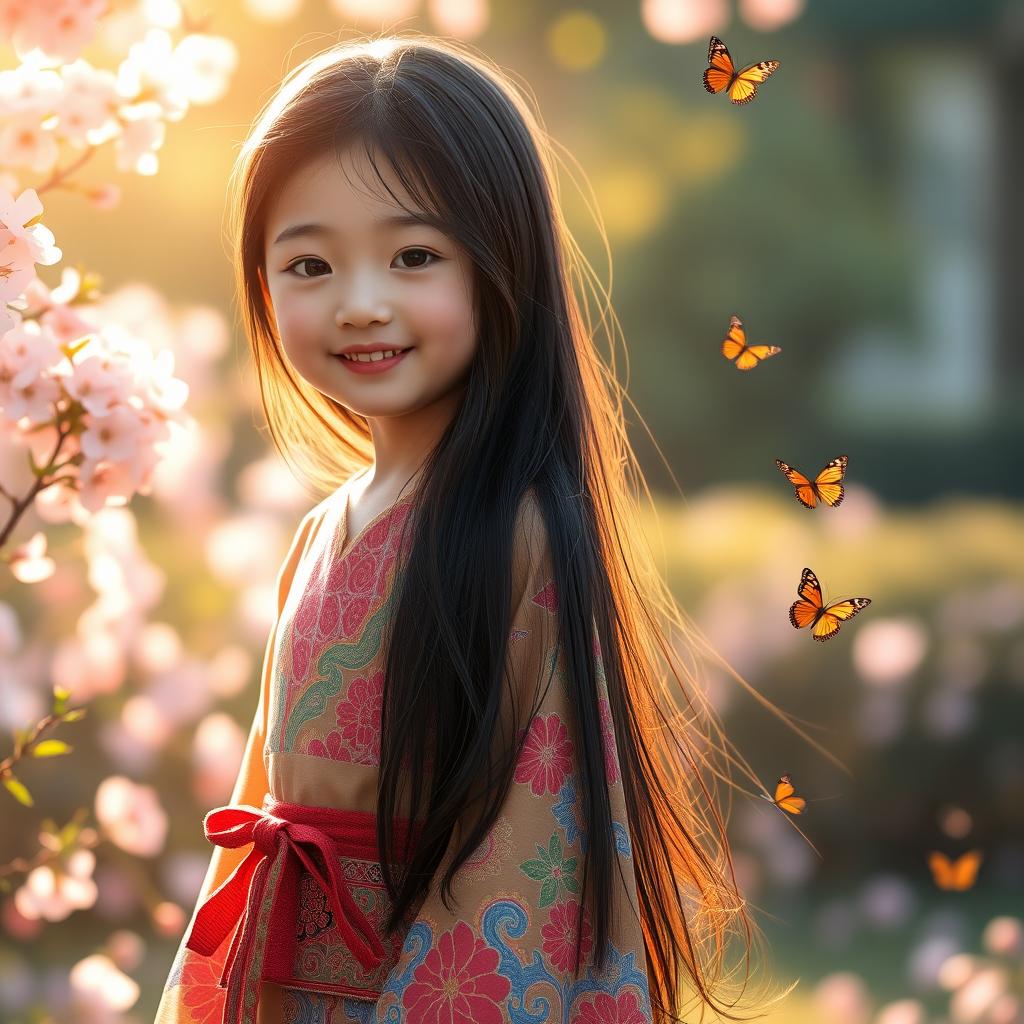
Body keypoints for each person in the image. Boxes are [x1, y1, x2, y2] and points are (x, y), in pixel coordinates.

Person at [154, 32, 800, 1024]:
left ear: (501, 261)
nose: (360, 303)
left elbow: (531, 857)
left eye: (413, 256)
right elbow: (260, 825)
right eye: (310, 263)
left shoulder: (522, 534)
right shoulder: (323, 529)